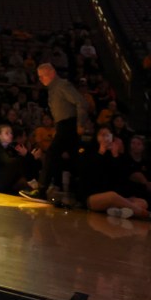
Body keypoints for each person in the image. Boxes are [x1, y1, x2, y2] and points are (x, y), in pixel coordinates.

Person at [20, 62, 87, 202]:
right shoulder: (54, 88)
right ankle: (84, 192)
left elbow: (81, 102)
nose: (40, 79)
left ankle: (42, 190)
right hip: (64, 125)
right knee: (76, 160)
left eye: (42, 76)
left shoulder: (62, 85)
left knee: (52, 154)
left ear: (51, 73)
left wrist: (80, 124)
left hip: (68, 125)